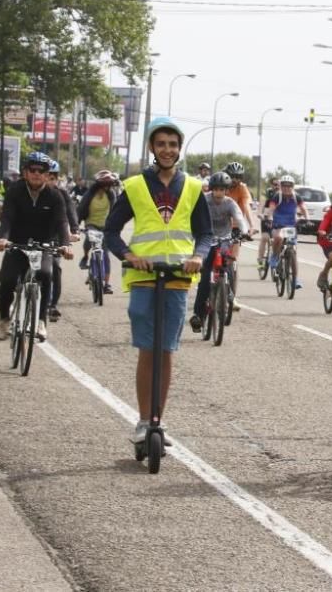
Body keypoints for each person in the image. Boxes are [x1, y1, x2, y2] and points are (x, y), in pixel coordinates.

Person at [104, 117, 212, 445]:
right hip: (143, 276)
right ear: (152, 147)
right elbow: (110, 231)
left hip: (178, 276)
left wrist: (198, 256)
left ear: (179, 149)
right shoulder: (135, 185)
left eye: (173, 144)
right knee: (147, 350)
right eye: (161, 144)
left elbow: (205, 234)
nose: (167, 150)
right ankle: (142, 420)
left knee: (165, 351)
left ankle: (158, 422)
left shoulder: (193, 187)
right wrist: (128, 256)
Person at [0, 152, 73, 342]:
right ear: (25, 172)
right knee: (7, 281)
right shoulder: (15, 190)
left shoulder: (55, 195)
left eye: (42, 170)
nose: (37, 173)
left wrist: (66, 245)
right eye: (33, 170)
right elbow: (7, 218)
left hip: (43, 244)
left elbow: (62, 222)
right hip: (17, 244)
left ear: (47, 174)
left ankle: (41, 321)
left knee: (46, 275)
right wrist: (3, 239)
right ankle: (4, 319)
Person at [190, 171, 249, 333]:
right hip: (207, 239)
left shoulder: (230, 203)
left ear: (227, 190)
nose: (218, 193)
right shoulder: (204, 200)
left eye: (222, 189)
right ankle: (199, 316)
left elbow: (239, 217)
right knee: (204, 279)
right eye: (216, 189)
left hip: (224, 239)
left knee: (229, 264)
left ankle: (228, 292)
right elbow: (193, 216)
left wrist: (244, 231)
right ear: (211, 189)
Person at [46, 161, 80, 322]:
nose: (49, 181)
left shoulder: (62, 194)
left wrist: (75, 230)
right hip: (33, 235)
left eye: (53, 178)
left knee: (55, 267)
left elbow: (71, 212)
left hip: (56, 236)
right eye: (47, 177)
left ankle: (52, 305)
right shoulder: (29, 191)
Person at [76, 170, 119, 294]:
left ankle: (106, 284)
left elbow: (115, 212)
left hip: (105, 226)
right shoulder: (89, 195)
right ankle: (85, 256)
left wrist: (114, 227)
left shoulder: (111, 194)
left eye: (109, 185)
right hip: (91, 223)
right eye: (105, 184)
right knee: (89, 239)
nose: (107, 187)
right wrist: (76, 228)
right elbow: (80, 210)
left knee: (105, 254)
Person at [259, 175, 299, 266]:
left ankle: (286, 256)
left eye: (278, 184)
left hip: (284, 221)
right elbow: (262, 203)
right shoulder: (268, 193)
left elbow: (293, 209)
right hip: (268, 218)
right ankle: (260, 260)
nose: (277, 186)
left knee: (288, 238)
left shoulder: (290, 196)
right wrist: (260, 214)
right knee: (265, 237)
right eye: (275, 184)